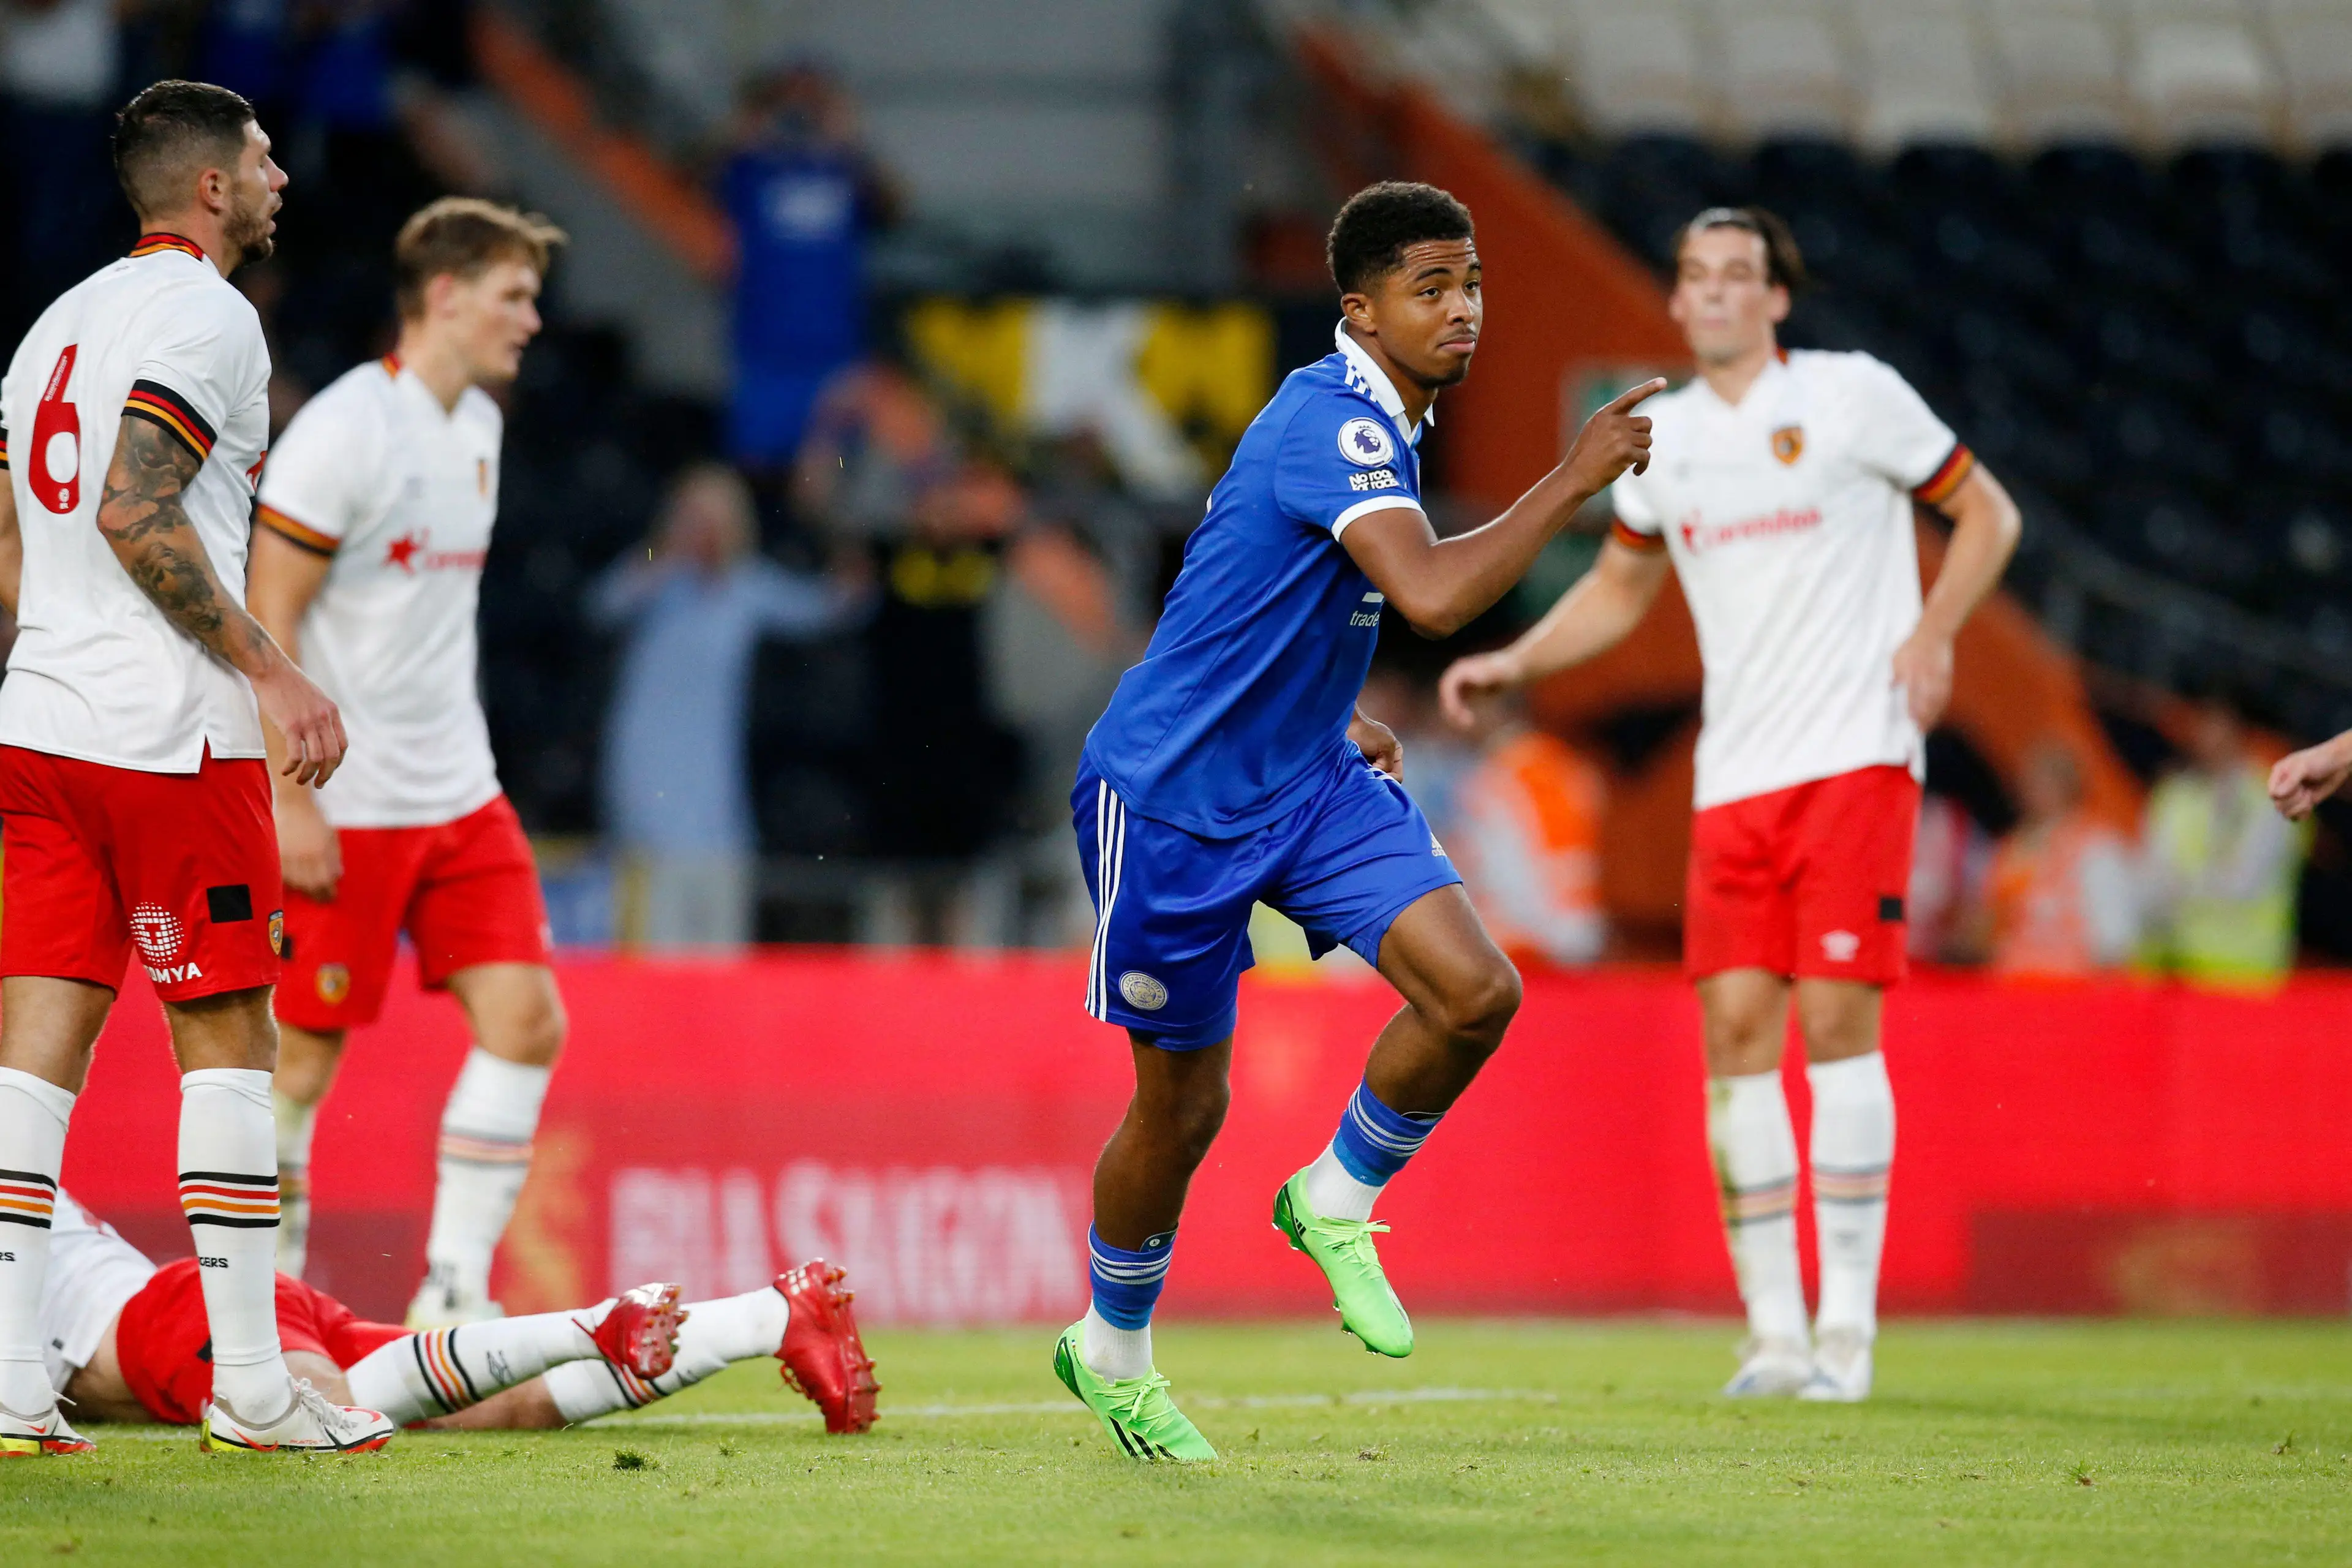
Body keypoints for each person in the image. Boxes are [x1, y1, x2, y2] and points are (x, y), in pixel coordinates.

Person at [1058, 181, 1662, 1462]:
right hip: (1171, 802)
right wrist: (1575, 475)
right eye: (1431, 288)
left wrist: (1327, 713)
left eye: (1474, 284)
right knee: (1183, 1111)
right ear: (1361, 307)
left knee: (1475, 992)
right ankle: (1110, 1350)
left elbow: (1275, 604)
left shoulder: (1383, 425)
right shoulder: (1333, 422)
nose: (1463, 310)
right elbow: (1435, 594)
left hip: (1306, 777)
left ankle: (1334, 1196)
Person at [1441, 206, 2022, 1403]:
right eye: (1695, 275)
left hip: (1855, 759)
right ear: (1679, 298)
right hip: (1736, 781)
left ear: (1777, 297)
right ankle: (1775, 1335)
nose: (1712, 293)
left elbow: (1989, 515)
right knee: (1738, 1042)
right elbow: (1617, 592)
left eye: (1736, 275)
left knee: (1837, 1030)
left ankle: (1849, 1333)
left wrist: (1933, 632)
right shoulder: (1670, 440)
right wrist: (1516, 662)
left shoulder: (1856, 397)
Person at [0, 79, 390, 1457]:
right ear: (212, 187)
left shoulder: (56, 322)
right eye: (266, 154)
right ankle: (253, 1385)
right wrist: (272, 668)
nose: (284, 172)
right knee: (227, 1041)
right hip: (170, 736)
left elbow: (12, 541)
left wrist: (51, 661)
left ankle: (9, 1384)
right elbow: (134, 506)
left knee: (34, 1057)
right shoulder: (213, 317)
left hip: (41, 724)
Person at [246, 197, 570, 1329]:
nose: (531, 320)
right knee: (299, 1068)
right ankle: (272, 1308)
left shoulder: (476, 425)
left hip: (460, 794)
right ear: (446, 294)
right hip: (348, 798)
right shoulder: (341, 434)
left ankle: (452, 1293)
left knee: (529, 1022)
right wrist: (290, 803)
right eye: (513, 296)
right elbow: (267, 613)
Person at [31, 1189, 878, 1436]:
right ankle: (771, 1318)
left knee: (321, 1418)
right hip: (197, 1304)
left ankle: (591, 1325)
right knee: (509, 1409)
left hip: (170, 1321)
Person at [588, 462, 867, 948]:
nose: (706, 530)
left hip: (711, 772)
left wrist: (846, 536)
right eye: (694, 516)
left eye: (715, 517)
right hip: (649, 765)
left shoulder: (745, 586)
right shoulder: (657, 574)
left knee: (721, 909)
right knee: (657, 914)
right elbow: (604, 602)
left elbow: (831, 606)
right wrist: (667, 550)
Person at [718, 62, 895, 469]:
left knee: (832, 475)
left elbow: (894, 206)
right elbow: (693, 173)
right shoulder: (751, 169)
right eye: (788, 103)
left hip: (833, 355)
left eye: (811, 105)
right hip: (763, 350)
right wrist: (751, 126)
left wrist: (849, 139)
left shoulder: (846, 171)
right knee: (758, 470)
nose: (799, 116)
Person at [2143, 688, 2307, 987]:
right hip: (2178, 969)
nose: (2206, 734)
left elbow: (2244, 883)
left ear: (2239, 730)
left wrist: (2181, 886)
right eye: (2201, 723)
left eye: (2216, 724)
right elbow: (2153, 874)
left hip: (2249, 975)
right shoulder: (2175, 794)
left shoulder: (2271, 796)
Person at [1444, 692, 1610, 968]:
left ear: (1493, 712)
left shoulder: (1496, 778)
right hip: (1581, 927)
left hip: (1530, 940)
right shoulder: (1571, 766)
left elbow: (1501, 869)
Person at [1975, 742, 2138, 977]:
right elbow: (1991, 918)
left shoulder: (2096, 844)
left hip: (2072, 987)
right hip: (2013, 983)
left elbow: (2114, 933)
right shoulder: (2014, 846)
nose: (2034, 789)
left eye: (2045, 779)